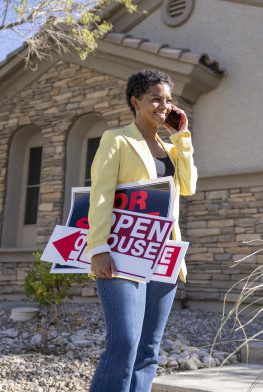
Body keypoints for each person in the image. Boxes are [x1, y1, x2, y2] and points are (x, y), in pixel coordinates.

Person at [86, 69, 197, 392]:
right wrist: (98, 248)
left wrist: (182, 138)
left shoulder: (170, 148)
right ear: (135, 101)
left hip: (165, 255)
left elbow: (188, 186)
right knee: (124, 343)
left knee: (148, 349)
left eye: (168, 100)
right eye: (155, 99)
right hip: (123, 253)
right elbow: (101, 194)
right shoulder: (116, 139)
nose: (164, 106)